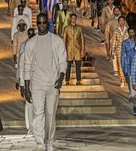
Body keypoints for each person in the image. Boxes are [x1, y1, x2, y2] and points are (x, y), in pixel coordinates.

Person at [24, 13, 67, 151]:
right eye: (39, 23)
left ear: (47, 24)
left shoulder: (57, 40)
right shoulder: (31, 43)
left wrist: (61, 78)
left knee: (50, 114)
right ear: (36, 24)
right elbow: (27, 65)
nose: (41, 25)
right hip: (37, 83)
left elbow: (62, 61)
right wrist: (26, 87)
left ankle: (49, 141)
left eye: (44, 23)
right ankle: (39, 142)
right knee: (38, 113)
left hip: (53, 83)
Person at [16, 28, 36, 134]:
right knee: (29, 105)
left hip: (38, 82)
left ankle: (37, 127)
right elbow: (21, 69)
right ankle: (30, 127)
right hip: (27, 83)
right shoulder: (24, 50)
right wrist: (22, 85)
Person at [63, 14, 85, 85]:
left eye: (75, 18)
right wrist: (64, 51)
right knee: (68, 66)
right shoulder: (66, 28)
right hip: (68, 49)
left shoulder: (79, 28)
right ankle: (67, 80)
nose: (73, 20)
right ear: (70, 19)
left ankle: (78, 80)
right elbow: (64, 40)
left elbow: (82, 40)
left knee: (78, 66)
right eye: (72, 18)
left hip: (77, 49)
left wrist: (82, 50)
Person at [111, 16, 129, 87]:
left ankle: (126, 78)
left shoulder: (127, 30)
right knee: (120, 65)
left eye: (123, 21)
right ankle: (122, 80)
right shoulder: (116, 31)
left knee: (126, 65)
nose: (121, 22)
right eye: (120, 21)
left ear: (124, 22)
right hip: (119, 50)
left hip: (127, 51)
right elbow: (113, 42)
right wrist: (112, 51)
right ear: (118, 22)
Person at [121, 27, 136, 103]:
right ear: (128, 33)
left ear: (134, 32)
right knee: (130, 79)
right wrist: (122, 65)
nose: (131, 33)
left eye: (132, 32)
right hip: (128, 62)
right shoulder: (125, 42)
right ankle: (131, 95)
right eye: (130, 32)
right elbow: (122, 54)